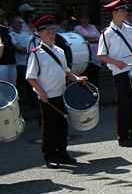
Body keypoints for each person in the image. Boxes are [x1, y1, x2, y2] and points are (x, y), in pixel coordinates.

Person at [26, 16, 88, 168]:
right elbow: (30, 77)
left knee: (62, 126)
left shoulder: (60, 50)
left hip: (61, 94)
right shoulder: (36, 53)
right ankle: (50, 156)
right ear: (39, 34)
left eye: (53, 31)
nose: (52, 34)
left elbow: (66, 71)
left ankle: (62, 153)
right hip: (47, 97)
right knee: (49, 128)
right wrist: (41, 93)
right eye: (48, 32)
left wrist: (77, 79)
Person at [97, 0, 132, 147]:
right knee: (124, 105)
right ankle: (123, 137)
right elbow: (101, 56)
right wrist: (116, 62)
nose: (126, 13)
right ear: (115, 13)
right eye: (122, 11)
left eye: (125, 10)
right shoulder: (107, 34)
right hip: (119, 72)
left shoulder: (131, 29)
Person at [74, 13, 102, 88]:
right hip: (84, 56)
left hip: (95, 55)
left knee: (95, 77)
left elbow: (100, 38)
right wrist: (93, 39)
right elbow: (83, 38)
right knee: (86, 77)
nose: (85, 20)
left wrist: (90, 39)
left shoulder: (92, 26)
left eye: (86, 18)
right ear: (79, 20)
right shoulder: (77, 28)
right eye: (83, 18)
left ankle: (96, 94)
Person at [9, 15, 32, 102]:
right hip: (19, 65)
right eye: (18, 23)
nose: (20, 24)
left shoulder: (26, 34)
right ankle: (21, 103)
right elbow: (19, 49)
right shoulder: (11, 35)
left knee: (30, 85)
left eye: (21, 22)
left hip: (30, 63)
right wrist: (30, 49)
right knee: (21, 85)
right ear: (12, 24)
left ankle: (31, 102)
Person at [0, 14, 17, 85]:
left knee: (12, 88)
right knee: (3, 88)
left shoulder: (7, 32)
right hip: (2, 65)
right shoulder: (3, 31)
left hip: (11, 63)